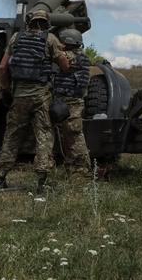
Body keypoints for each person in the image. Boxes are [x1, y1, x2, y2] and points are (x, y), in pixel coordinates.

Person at [0, 9, 69, 193]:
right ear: (46, 22)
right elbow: (65, 66)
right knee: (44, 135)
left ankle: (1, 177)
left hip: (19, 95)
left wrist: (6, 89)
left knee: (12, 135)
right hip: (41, 96)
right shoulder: (50, 39)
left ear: (29, 21)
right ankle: (41, 183)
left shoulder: (16, 39)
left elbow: (3, 67)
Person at [52, 29, 92, 179]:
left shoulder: (77, 57)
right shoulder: (77, 56)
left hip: (72, 102)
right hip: (67, 102)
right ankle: (73, 170)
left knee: (74, 137)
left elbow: (59, 58)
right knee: (67, 137)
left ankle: (82, 171)